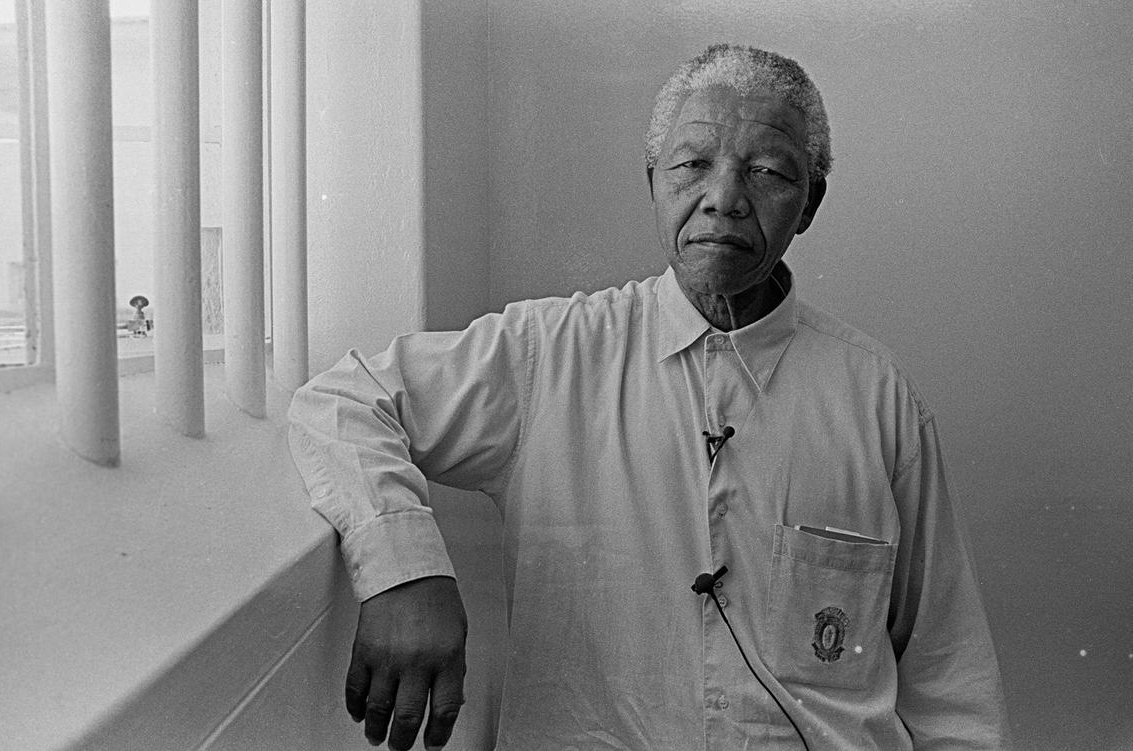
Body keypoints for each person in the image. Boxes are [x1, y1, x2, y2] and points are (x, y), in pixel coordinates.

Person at [289, 43, 1012, 750]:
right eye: (693, 164)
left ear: (811, 201)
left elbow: (950, 684)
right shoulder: (550, 353)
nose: (724, 199)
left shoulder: (878, 397)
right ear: (653, 181)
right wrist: (405, 570)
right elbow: (344, 400)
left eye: (766, 171)